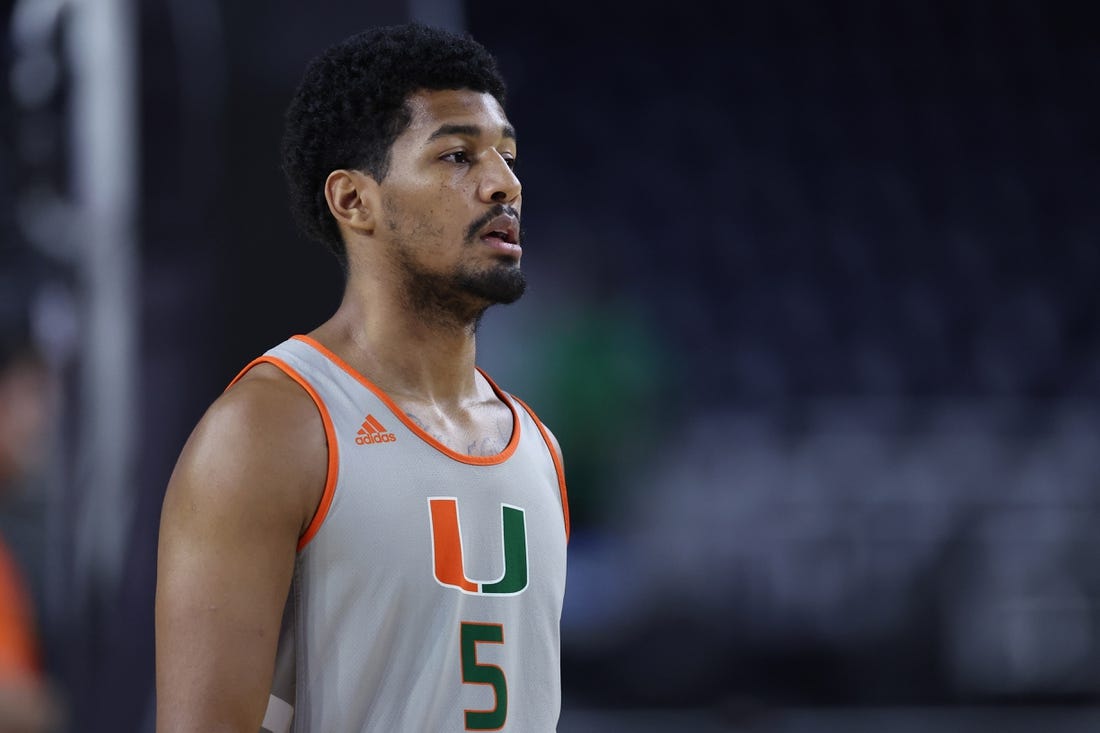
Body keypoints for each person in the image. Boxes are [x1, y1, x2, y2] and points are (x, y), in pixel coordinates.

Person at [154, 22, 569, 733]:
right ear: (354, 202)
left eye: (506, 155)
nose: (504, 183)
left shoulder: (538, 447)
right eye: (458, 155)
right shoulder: (271, 430)